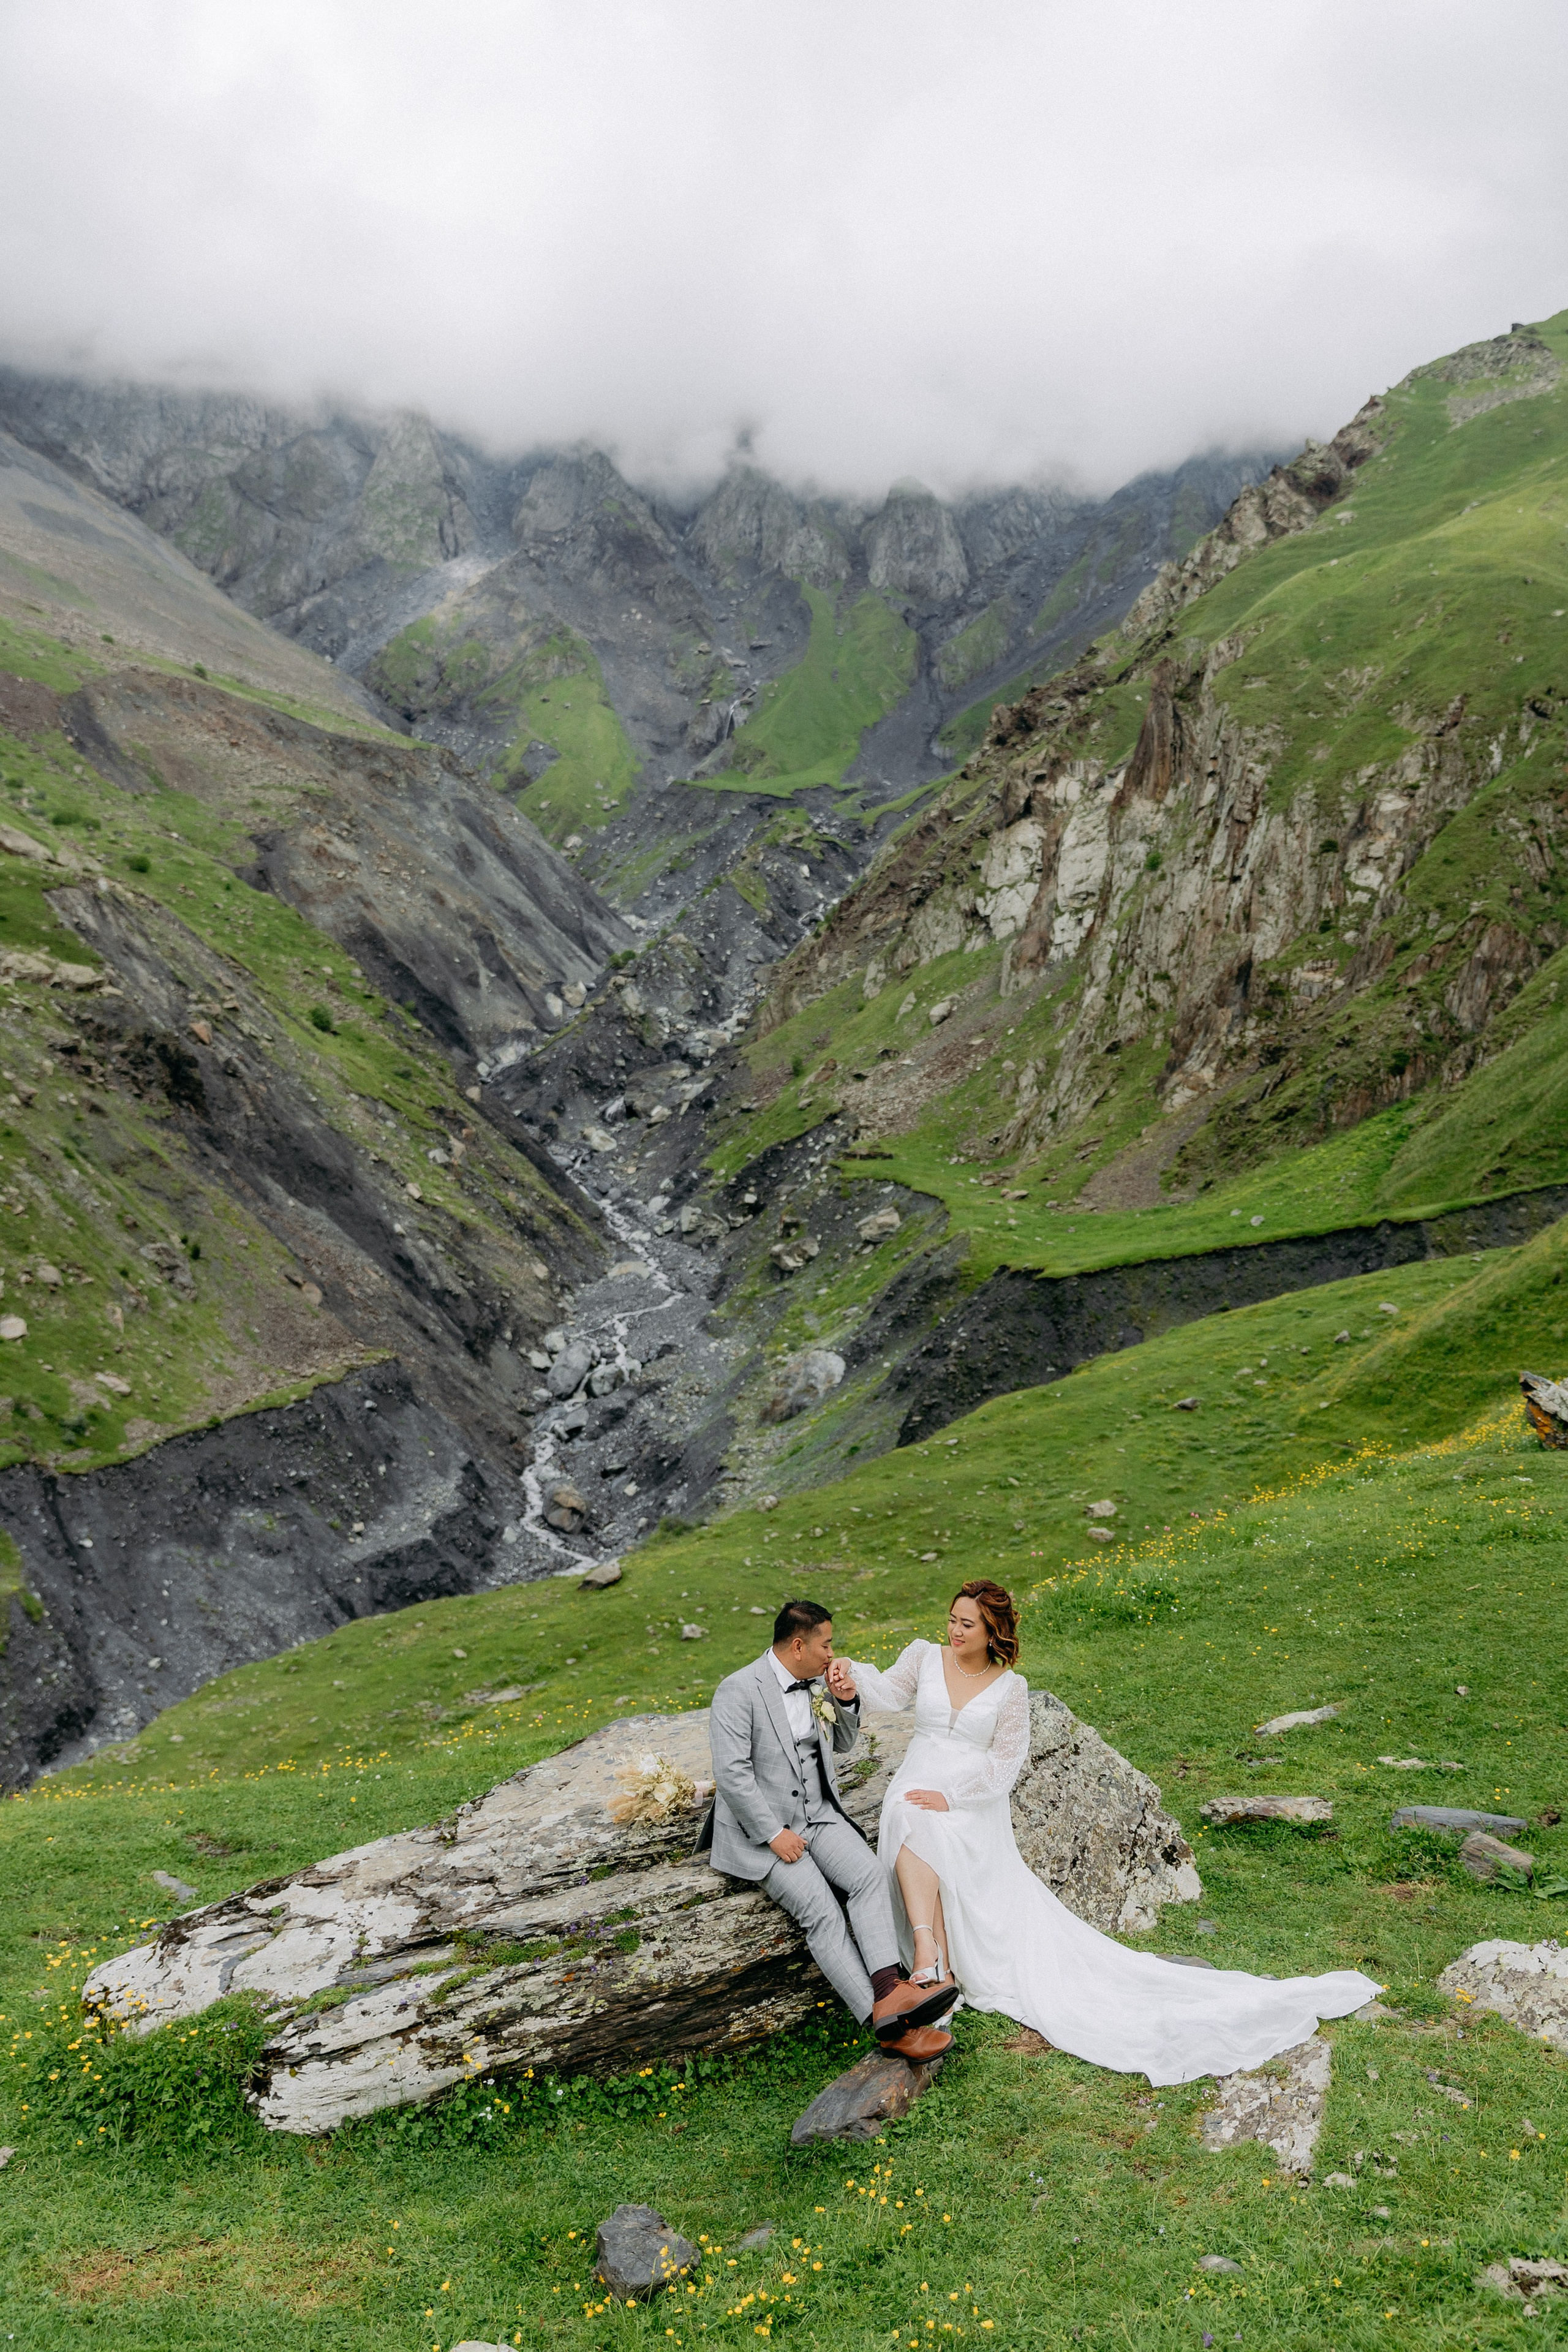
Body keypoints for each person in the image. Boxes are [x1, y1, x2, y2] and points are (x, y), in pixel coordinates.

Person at [846, 1578, 1381, 2086]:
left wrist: (954, 1797)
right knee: (910, 1816)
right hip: (918, 1777)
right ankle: (928, 1960)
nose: (955, 1631)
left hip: (970, 1795)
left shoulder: (1011, 1688)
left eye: (968, 1624)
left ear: (993, 1633)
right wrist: (850, 1679)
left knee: (933, 1825)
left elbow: (1004, 1767)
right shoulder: (923, 1655)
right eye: (952, 1620)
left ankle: (930, 1967)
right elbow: (885, 1694)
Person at [701, 1597, 958, 2059]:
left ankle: (891, 1993)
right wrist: (772, 1833)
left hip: (819, 1815)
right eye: (827, 1644)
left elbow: (842, 1742)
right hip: (763, 1833)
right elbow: (733, 1774)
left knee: (867, 1877)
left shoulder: (815, 1683)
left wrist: (844, 1699)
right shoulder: (738, 1690)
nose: (832, 1653)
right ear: (798, 1645)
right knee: (821, 1910)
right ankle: (889, 2028)